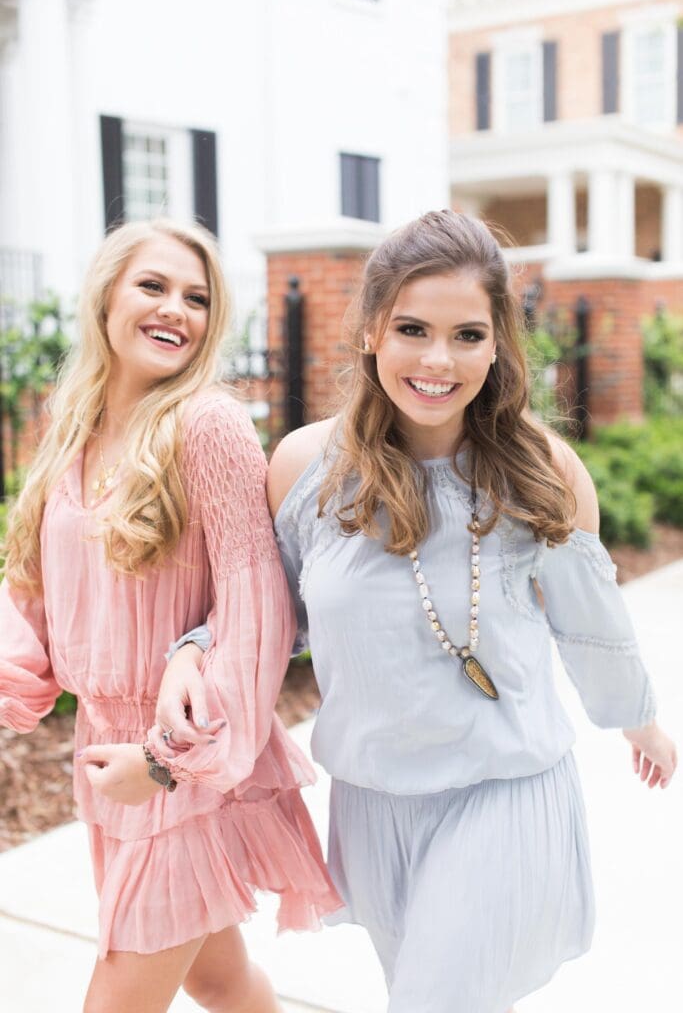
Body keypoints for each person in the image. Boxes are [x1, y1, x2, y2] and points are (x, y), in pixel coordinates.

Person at [155, 210, 677, 1013]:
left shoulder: (543, 472)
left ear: (498, 343)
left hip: (503, 792)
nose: (439, 360)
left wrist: (635, 717)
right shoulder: (303, 467)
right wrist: (192, 651)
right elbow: (266, 613)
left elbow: (589, 619)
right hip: (374, 803)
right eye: (412, 328)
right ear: (370, 331)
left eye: (467, 334)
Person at [0, 218, 340, 1013]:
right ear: (107, 296)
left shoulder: (207, 426)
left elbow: (257, 614)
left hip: (181, 758)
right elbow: (32, 597)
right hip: (104, 755)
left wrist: (163, 763)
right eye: (153, 286)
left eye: (197, 298)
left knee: (115, 998)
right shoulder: (73, 431)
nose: (175, 310)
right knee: (221, 980)